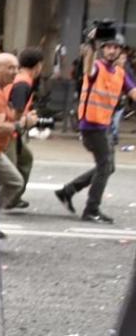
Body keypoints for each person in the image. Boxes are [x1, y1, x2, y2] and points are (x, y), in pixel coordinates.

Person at [55, 29, 136, 224]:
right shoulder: (96, 68)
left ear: (120, 51)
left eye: (115, 47)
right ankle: (91, 209)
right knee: (105, 165)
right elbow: (87, 66)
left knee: (109, 166)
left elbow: (133, 92)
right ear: (102, 50)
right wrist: (89, 44)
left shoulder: (120, 73)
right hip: (91, 125)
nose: (111, 51)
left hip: (104, 126)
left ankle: (68, 191)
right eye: (107, 47)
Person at [0, 53, 30, 212]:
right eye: (10, 67)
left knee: (13, 182)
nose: (15, 72)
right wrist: (22, 124)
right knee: (12, 182)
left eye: (16, 68)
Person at [3, 47, 43, 208]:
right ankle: (4, 201)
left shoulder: (20, 80)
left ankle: (12, 198)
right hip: (8, 131)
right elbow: (16, 109)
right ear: (38, 66)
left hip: (12, 130)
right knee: (9, 170)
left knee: (25, 158)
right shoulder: (23, 83)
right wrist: (27, 120)